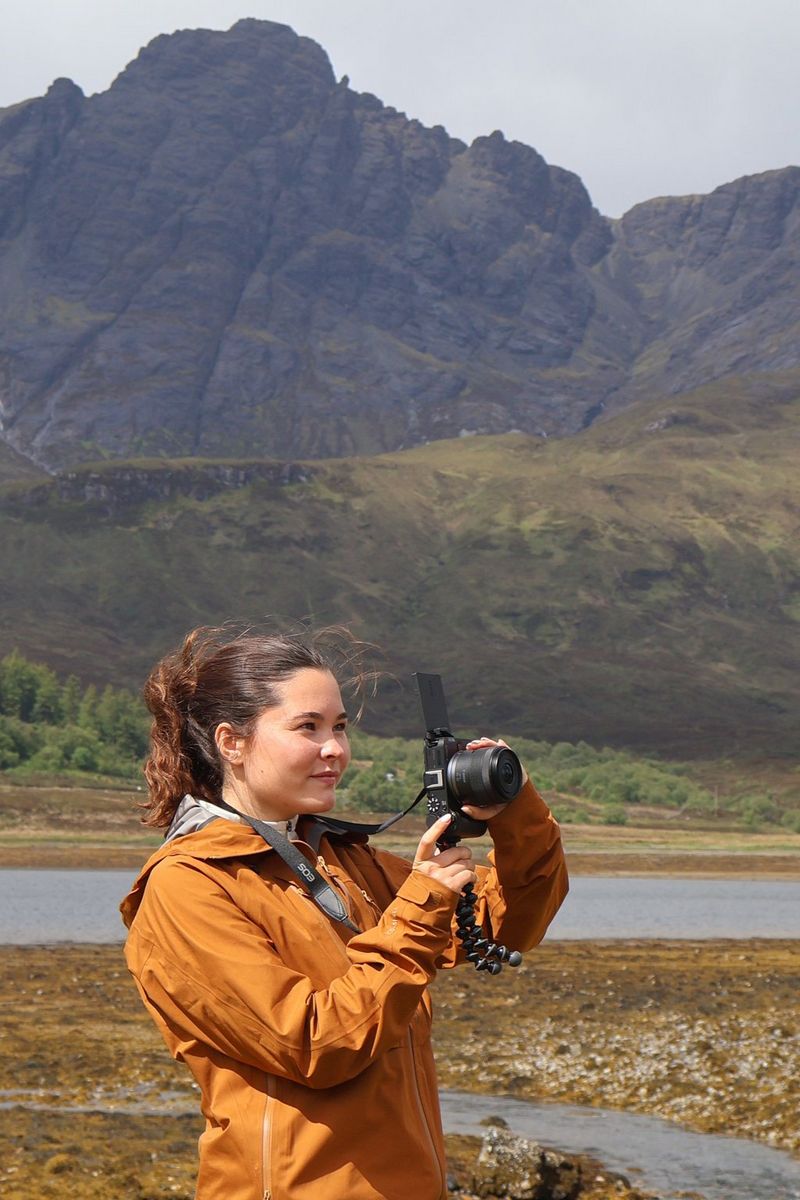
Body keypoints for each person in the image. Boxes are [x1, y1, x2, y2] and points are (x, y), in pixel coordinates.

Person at [120, 626, 568, 1200]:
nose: (334, 748)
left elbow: (511, 924)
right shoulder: (187, 887)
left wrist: (514, 810)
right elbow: (315, 1044)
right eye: (307, 727)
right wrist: (421, 907)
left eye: (339, 727)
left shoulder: (338, 860)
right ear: (231, 742)